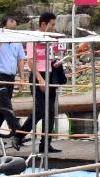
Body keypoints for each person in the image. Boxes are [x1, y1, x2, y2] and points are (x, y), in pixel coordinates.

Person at [14, 12, 65, 152]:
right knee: (42, 110)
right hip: (38, 76)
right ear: (43, 24)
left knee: (50, 111)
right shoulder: (33, 38)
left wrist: (57, 63)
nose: (54, 27)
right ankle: (19, 135)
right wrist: (40, 79)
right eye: (52, 24)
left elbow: (52, 56)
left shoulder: (51, 38)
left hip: (50, 74)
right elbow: (30, 61)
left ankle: (45, 143)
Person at [0, 17, 26, 147]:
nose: (12, 31)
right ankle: (18, 133)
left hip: (10, 77)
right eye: (10, 29)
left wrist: (22, 77)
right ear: (3, 27)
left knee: (2, 107)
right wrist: (1, 40)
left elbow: (20, 59)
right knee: (6, 105)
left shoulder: (16, 41)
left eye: (14, 29)